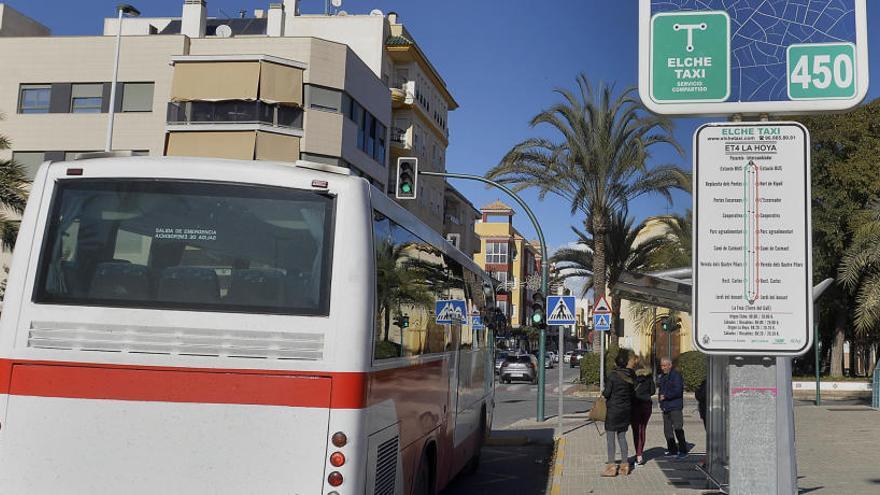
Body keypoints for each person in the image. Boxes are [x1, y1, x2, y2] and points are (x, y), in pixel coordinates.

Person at [601, 350, 635, 477]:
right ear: (626, 363)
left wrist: (604, 392)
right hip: (626, 410)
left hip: (613, 411)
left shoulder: (613, 376)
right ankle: (625, 465)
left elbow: (607, 393)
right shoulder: (630, 375)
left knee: (610, 438)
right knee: (622, 437)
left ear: (616, 363)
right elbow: (632, 393)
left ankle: (611, 467)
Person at [658, 357, 688, 459]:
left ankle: (683, 450)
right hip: (666, 407)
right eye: (661, 365)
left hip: (675, 406)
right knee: (667, 430)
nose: (662, 368)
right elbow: (660, 390)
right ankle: (672, 450)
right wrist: (661, 402)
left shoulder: (676, 375)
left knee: (678, 428)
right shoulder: (662, 376)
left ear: (670, 365)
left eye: (664, 365)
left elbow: (678, 390)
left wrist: (666, 396)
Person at [630, 356, 655, 465]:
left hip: (635, 405)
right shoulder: (649, 377)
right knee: (643, 429)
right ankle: (640, 454)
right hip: (647, 405)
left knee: (636, 430)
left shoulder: (633, 377)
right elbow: (653, 391)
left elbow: (629, 391)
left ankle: (639, 455)